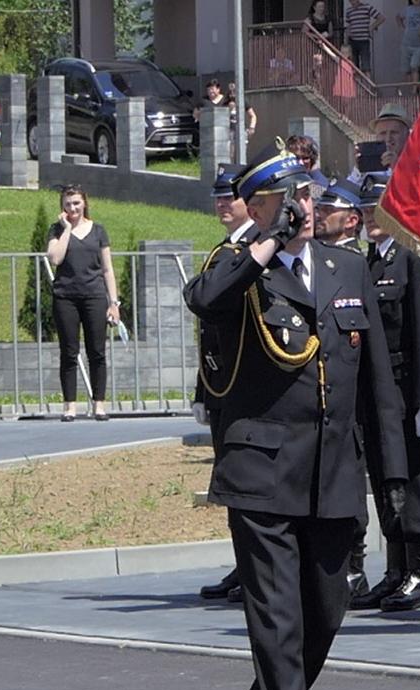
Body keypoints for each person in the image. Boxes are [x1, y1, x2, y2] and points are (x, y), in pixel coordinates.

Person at [184, 146, 407, 690]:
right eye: (287, 199)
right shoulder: (238, 271)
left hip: (333, 474)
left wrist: (393, 470)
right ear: (255, 208)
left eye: (306, 196)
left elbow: (378, 386)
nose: (304, 209)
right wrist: (262, 243)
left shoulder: (346, 267)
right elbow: (205, 301)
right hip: (262, 475)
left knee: (324, 618)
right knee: (277, 626)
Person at [346, 179, 420, 613]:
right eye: (367, 211)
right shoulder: (373, 261)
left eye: (379, 210)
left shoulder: (417, 258)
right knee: (387, 477)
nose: (371, 218)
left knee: (414, 478)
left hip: (408, 390)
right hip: (379, 392)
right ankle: (396, 570)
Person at [195, 163, 255, 605]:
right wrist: (203, 389)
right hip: (223, 385)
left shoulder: (257, 250)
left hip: (248, 387)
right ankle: (243, 564)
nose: (221, 204)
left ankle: (254, 567)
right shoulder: (224, 252)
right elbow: (208, 329)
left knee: (248, 484)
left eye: (228, 197)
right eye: (217, 197)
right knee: (231, 484)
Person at [43, 185, 119, 422]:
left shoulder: (98, 231)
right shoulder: (56, 229)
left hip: (94, 296)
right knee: (69, 352)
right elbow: (55, 258)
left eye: (76, 203)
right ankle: (70, 406)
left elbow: (107, 269)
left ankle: (99, 404)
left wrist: (113, 302)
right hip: (66, 297)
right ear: (62, 207)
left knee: (97, 351)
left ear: (84, 203)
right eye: (67, 204)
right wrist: (66, 229)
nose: (72, 208)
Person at [343, 0, 382, 72]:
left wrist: (371, 27)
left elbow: (381, 18)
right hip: (352, 41)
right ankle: (355, 83)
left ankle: (367, 83)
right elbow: (348, 26)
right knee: (354, 66)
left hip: (364, 40)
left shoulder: (367, 7)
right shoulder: (349, 11)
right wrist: (346, 41)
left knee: (366, 66)